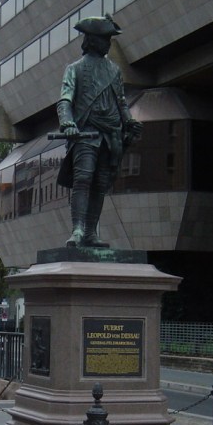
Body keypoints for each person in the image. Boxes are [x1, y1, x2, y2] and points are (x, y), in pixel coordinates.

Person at [56, 13, 143, 248]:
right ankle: (77, 229)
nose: (109, 43)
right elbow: (64, 100)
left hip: (110, 134)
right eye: (105, 38)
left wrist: (130, 122)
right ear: (93, 40)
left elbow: (121, 102)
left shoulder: (114, 71)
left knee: (100, 184)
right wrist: (68, 123)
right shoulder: (74, 69)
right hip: (86, 133)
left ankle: (91, 232)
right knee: (83, 179)